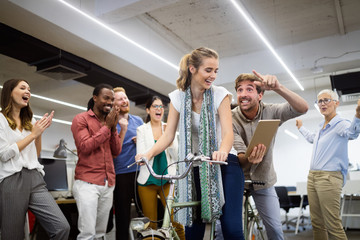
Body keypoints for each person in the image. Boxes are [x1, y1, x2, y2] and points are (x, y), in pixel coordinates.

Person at [136, 47, 244, 240]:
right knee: (193, 230)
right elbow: (168, 135)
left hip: (225, 162)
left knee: (231, 228)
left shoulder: (220, 94)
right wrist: (148, 154)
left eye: (216, 71)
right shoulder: (178, 97)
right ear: (192, 69)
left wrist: (222, 151)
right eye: (208, 70)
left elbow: (228, 133)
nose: (213, 76)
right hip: (195, 164)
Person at [232, 72, 309, 240]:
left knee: (275, 230)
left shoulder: (271, 111)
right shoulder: (230, 119)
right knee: (226, 230)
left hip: (264, 180)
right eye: (239, 90)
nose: (243, 94)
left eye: (249, 89)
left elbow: (302, 108)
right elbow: (241, 156)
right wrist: (249, 159)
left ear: (260, 95)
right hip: (237, 181)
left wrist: (278, 87)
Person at [0, 79, 70, 240]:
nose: (28, 92)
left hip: (35, 177)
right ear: (10, 92)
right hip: (12, 179)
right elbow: (4, 155)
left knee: (61, 227)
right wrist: (33, 134)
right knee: (12, 235)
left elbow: (35, 154)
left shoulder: (30, 122)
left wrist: (39, 133)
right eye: (22, 88)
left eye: (29, 89)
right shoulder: (1, 120)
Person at [296, 90, 360, 240]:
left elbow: (352, 133)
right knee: (317, 223)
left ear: (336, 103)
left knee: (332, 224)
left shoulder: (340, 124)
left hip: (329, 178)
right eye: (320, 101)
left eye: (326, 100)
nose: (323, 103)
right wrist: (301, 128)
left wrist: (357, 115)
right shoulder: (321, 126)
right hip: (313, 177)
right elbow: (312, 139)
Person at [71, 83, 122, 239]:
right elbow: (85, 146)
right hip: (87, 183)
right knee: (87, 233)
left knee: (101, 233)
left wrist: (113, 128)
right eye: (106, 98)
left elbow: (116, 151)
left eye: (112, 99)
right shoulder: (81, 119)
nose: (110, 102)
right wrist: (107, 126)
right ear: (95, 98)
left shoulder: (109, 122)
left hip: (108, 183)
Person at [136, 96, 185, 239]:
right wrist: (141, 156)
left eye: (161, 106)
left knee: (176, 222)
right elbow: (142, 154)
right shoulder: (142, 130)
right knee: (150, 225)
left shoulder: (170, 130)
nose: (159, 109)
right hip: (147, 180)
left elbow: (176, 156)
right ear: (148, 110)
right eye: (155, 106)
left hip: (168, 180)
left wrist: (167, 136)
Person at [112, 87, 144, 240]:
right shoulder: (111, 123)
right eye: (120, 99)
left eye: (125, 98)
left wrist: (142, 141)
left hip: (139, 172)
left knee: (143, 213)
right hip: (120, 174)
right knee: (123, 217)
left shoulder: (138, 120)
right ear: (114, 104)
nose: (125, 101)